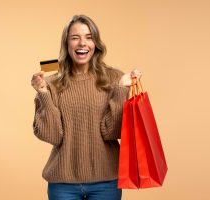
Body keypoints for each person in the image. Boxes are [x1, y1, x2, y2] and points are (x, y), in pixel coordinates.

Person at [31, 15, 141, 200]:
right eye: (75, 38)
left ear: (96, 43)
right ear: (66, 43)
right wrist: (43, 92)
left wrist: (122, 90)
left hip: (107, 182)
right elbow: (53, 135)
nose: (82, 43)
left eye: (89, 37)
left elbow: (112, 132)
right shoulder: (51, 83)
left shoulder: (115, 78)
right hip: (62, 183)